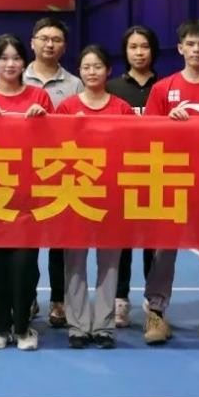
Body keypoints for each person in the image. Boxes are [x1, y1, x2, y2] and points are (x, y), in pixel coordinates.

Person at [142, 19, 199, 348]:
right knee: (163, 251)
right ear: (180, 48)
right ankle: (156, 313)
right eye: (190, 44)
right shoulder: (163, 89)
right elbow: (146, 135)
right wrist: (166, 123)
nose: (196, 50)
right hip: (171, 179)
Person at [0, 33, 54, 350]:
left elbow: (55, 145)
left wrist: (43, 122)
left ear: (24, 63)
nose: (10, 64)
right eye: (3, 58)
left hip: (28, 197)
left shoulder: (39, 97)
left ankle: (23, 327)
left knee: (24, 267)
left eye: (16, 58)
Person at [57, 45, 135, 349]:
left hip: (111, 195)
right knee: (75, 262)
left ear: (108, 71)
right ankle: (77, 325)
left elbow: (133, 148)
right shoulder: (66, 108)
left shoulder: (122, 109)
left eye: (97, 67)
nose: (92, 72)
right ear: (79, 71)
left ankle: (104, 325)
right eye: (86, 67)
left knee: (110, 263)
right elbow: (53, 150)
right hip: (75, 194)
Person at [23, 17, 83, 328]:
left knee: (61, 241)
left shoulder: (75, 84)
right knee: (27, 240)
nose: (49, 44)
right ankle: (27, 295)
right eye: (44, 38)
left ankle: (59, 299)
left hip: (61, 172)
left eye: (56, 39)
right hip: (23, 173)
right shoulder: (16, 76)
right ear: (32, 42)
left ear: (64, 46)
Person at [106, 24, 160, 328]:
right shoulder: (113, 88)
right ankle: (120, 299)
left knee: (154, 242)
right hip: (122, 175)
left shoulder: (165, 87)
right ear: (125, 52)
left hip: (157, 173)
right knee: (121, 241)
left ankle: (155, 301)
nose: (139, 53)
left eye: (144, 46)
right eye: (133, 47)